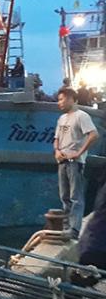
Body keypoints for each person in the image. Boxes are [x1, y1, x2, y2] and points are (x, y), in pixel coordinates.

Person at [54, 87, 99, 238]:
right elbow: (56, 139)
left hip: (75, 162)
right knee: (64, 196)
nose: (59, 103)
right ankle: (66, 227)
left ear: (70, 99)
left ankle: (74, 229)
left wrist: (79, 153)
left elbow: (93, 134)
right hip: (62, 161)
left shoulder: (82, 116)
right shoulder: (61, 119)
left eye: (61, 99)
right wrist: (57, 151)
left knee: (75, 196)